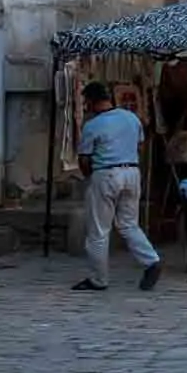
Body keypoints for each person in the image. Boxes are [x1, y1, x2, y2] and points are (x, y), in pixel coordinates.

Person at [74, 83, 162, 291]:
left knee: (98, 230)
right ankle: (151, 261)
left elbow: (85, 159)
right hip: (132, 172)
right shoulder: (131, 118)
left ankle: (98, 279)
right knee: (129, 224)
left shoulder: (92, 125)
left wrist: (91, 177)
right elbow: (140, 146)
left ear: (92, 101)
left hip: (106, 173)